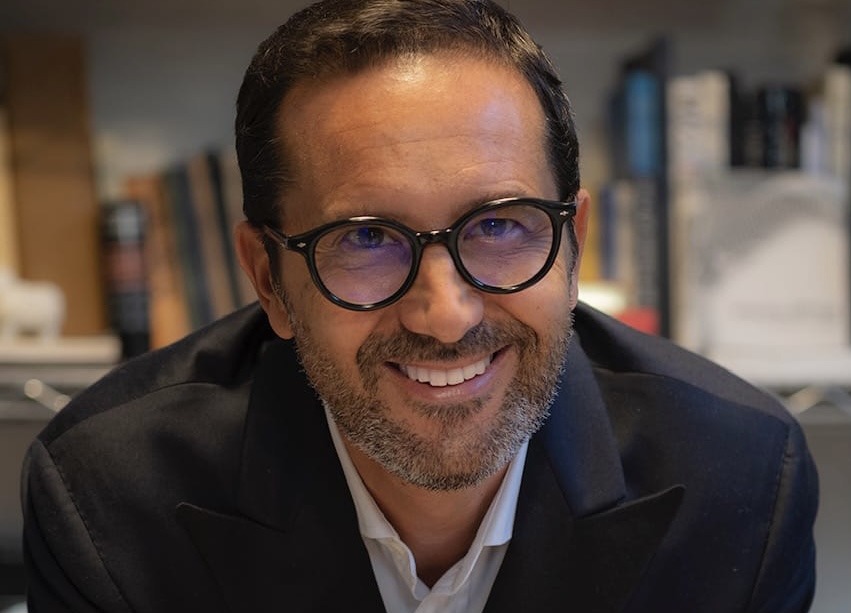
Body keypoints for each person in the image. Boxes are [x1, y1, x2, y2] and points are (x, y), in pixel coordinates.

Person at [21, 0, 818, 611]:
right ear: (268, 279)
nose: (446, 314)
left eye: (499, 225)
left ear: (573, 246)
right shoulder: (107, 497)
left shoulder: (740, 483)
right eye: (366, 237)